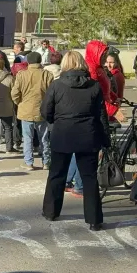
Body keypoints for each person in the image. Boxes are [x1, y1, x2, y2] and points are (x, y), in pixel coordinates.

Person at [41, 51, 108, 231]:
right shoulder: (94, 86)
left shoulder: (57, 85)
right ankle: (94, 219)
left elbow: (46, 110)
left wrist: (55, 121)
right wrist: (105, 139)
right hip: (88, 134)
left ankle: (51, 211)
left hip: (62, 133)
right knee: (89, 178)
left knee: (57, 174)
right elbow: (101, 115)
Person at [11, 52, 54, 171]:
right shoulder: (47, 75)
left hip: (25, 110)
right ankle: (46, 162)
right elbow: (52, 94)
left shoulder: (21, 75)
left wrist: (19, 102)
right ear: (40, 61)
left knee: (28, 138)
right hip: (42, 110)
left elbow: (15, 93)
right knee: (44, 138)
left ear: (28, 62)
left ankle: (29, 162)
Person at [85, 40, 125, 122]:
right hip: (98, 112)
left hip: (103, 110)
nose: (104, 57)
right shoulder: (92, 71)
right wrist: (114, 111)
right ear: (95, 54)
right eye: (102, 54)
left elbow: (105, 89)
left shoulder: (99, 68)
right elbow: (97, 97)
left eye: (105, 54)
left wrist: (114, 97)